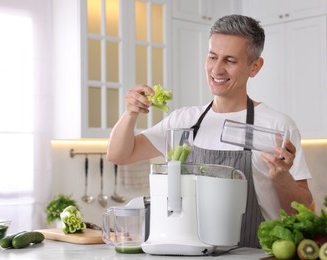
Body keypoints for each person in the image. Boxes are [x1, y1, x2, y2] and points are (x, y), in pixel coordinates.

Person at [106, 14, 313, 248]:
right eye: (212, 57)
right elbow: (119, 155)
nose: (217, 69)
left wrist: (282, 178)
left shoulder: (277, 126)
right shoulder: (183, 121)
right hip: (188, 252)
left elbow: (302, 211)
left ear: (254, 66)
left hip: (254, 255)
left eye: (230, 60)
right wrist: (130, 113)